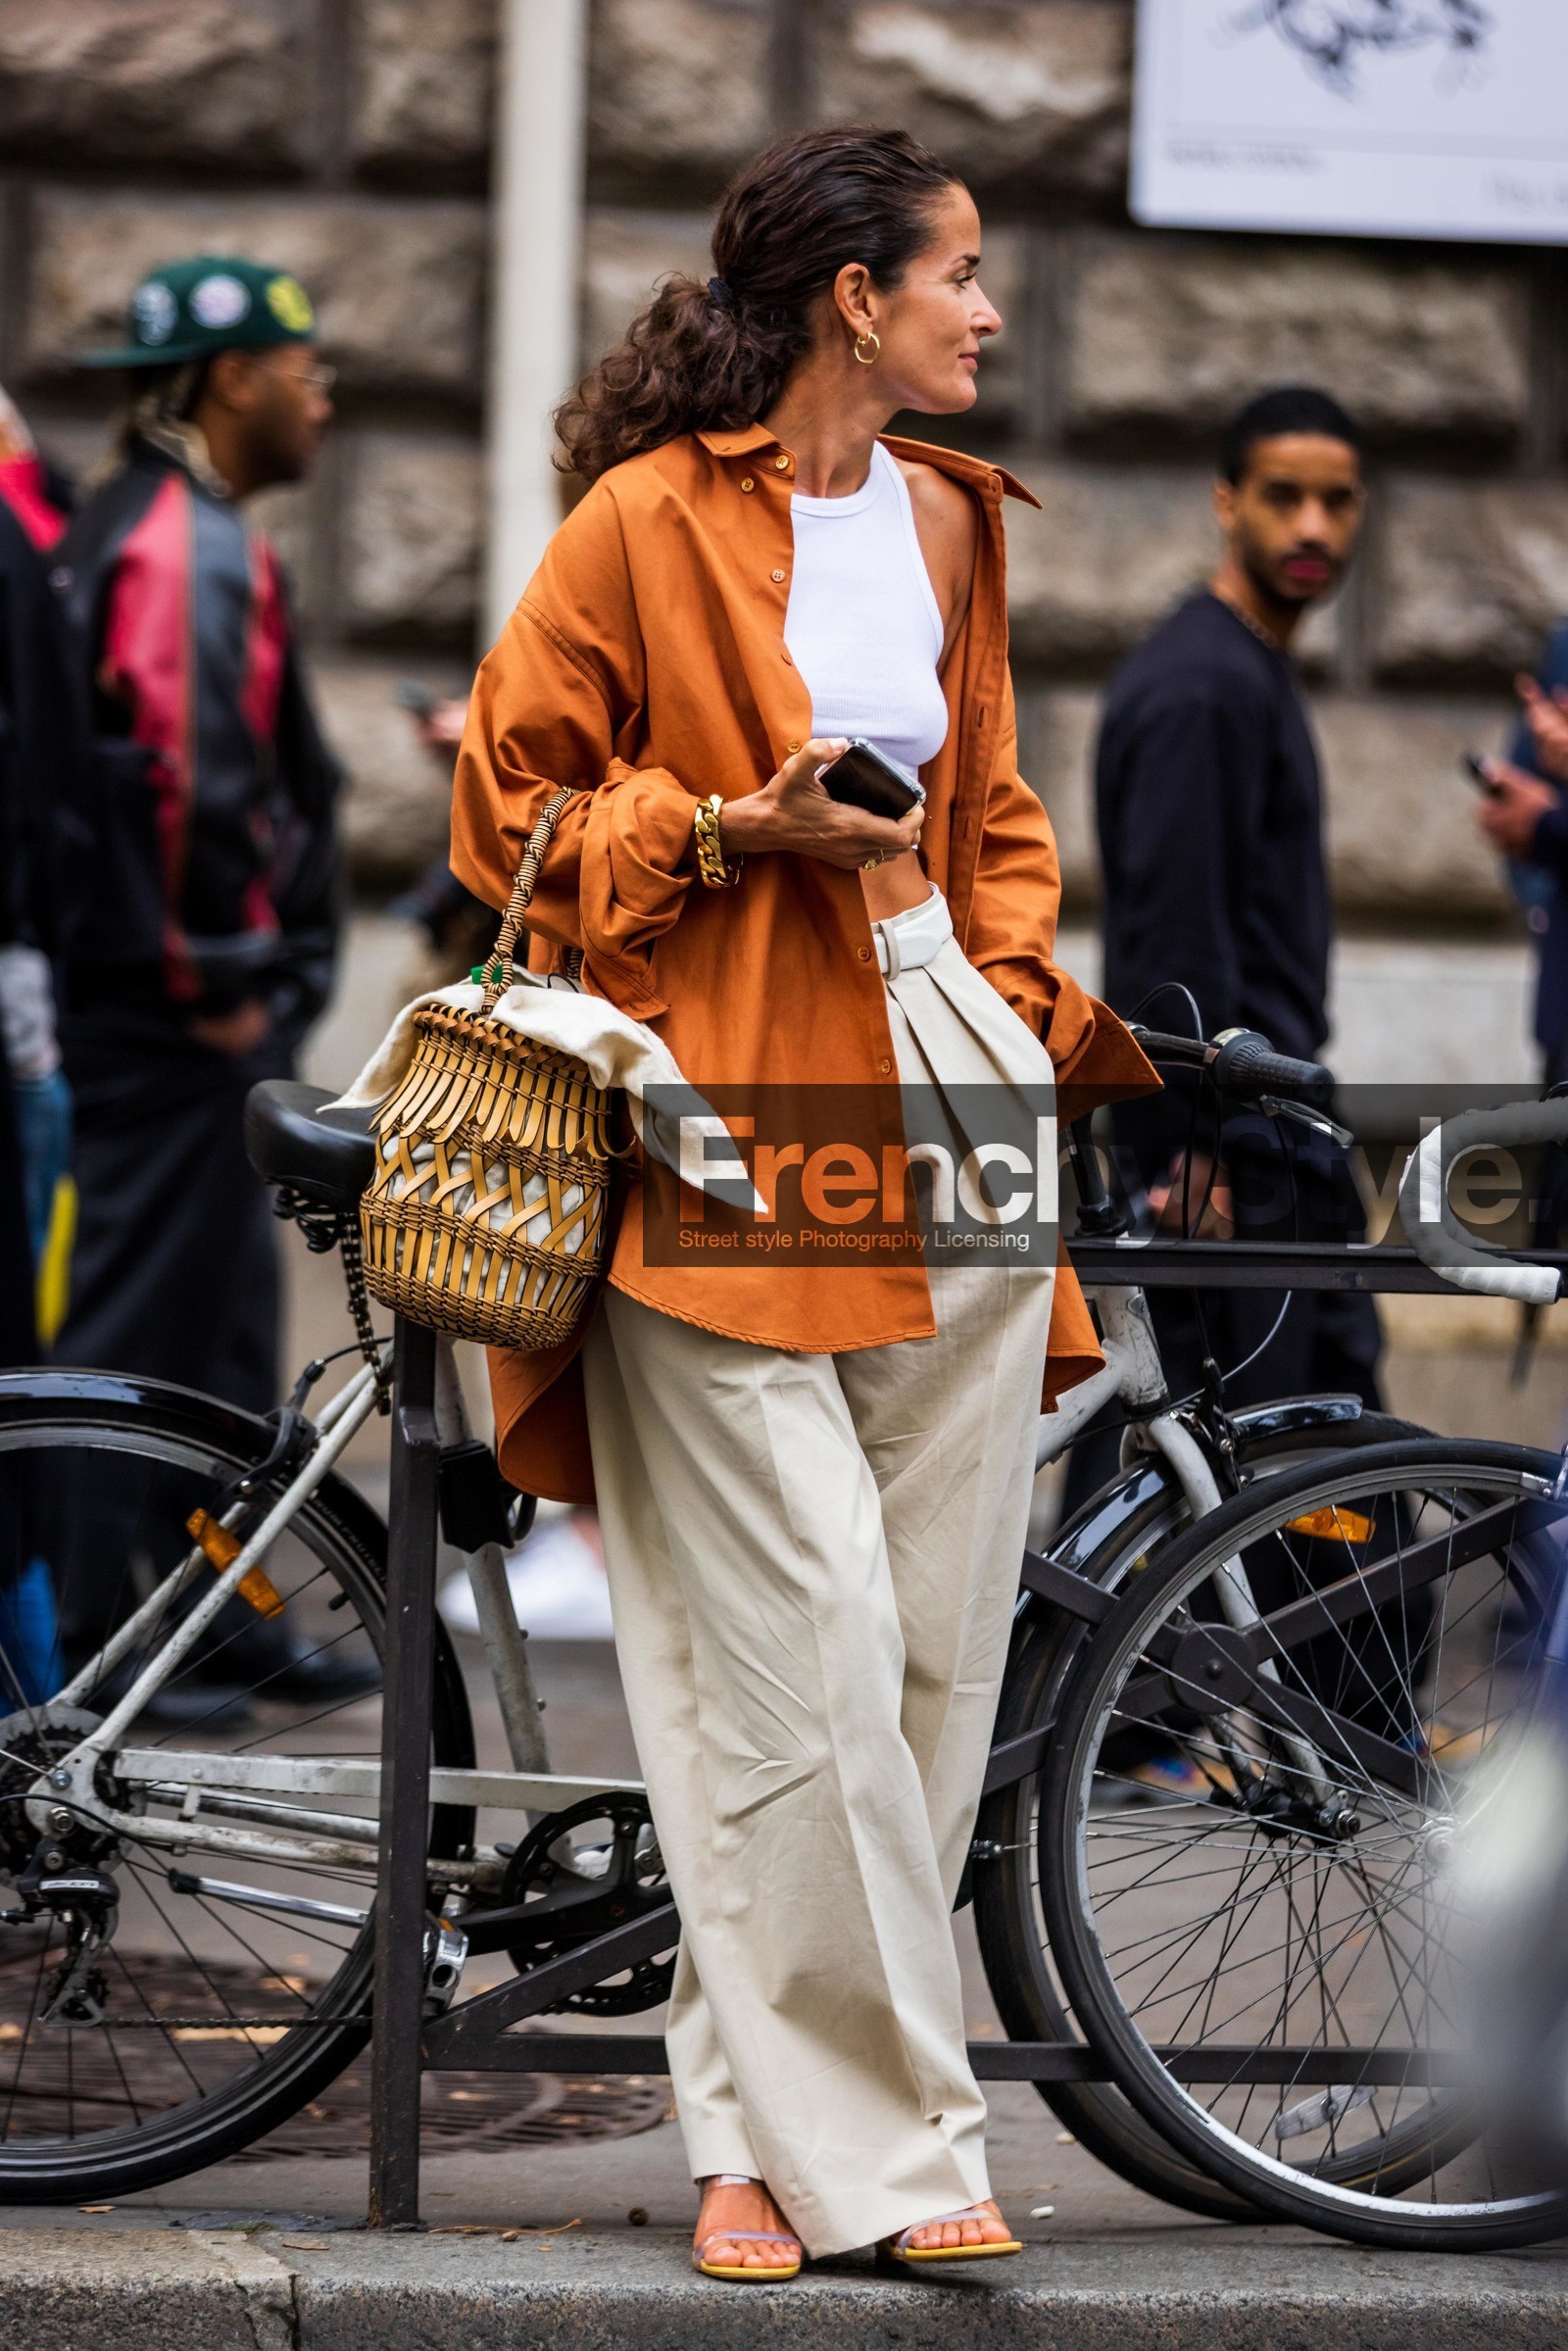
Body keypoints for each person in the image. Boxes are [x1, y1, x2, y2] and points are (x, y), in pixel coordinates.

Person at [449, 127, 1150, 2279]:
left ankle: (751, 2138)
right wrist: (732, 833)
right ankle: (898, 2148)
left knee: (935, 1646)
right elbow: (507, 804)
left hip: (944, 1060)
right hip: (726, 1088)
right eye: (958, 274)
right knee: (797, 1648)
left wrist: (1014, 987)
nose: (987, 310)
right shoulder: (641, 522)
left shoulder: (948, 519)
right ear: (855, 292)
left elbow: (998, 794)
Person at [47, 257, 350, 1699]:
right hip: (174, 1014)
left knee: (217, 1322)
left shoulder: (165, 519)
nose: (323, 394)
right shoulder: (182, 544)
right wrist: (219, 972)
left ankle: (219, 1613)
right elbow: (178, 784)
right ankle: (120, 1648)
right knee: (140, 1327)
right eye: (304, 368)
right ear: (234, 377)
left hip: (175, 1009)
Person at [1081, 386, 1381, 1509]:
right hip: (1228, 1162)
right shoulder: (1202, 685)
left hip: (1270, 1143)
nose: (1312, 526)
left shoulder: (1239, 670)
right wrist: (1189, 1153)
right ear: (1225, 502)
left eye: (1337, 501)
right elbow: (1173, 938)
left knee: (1276, 1482)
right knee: (1226, 1497)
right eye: (1283, 496)